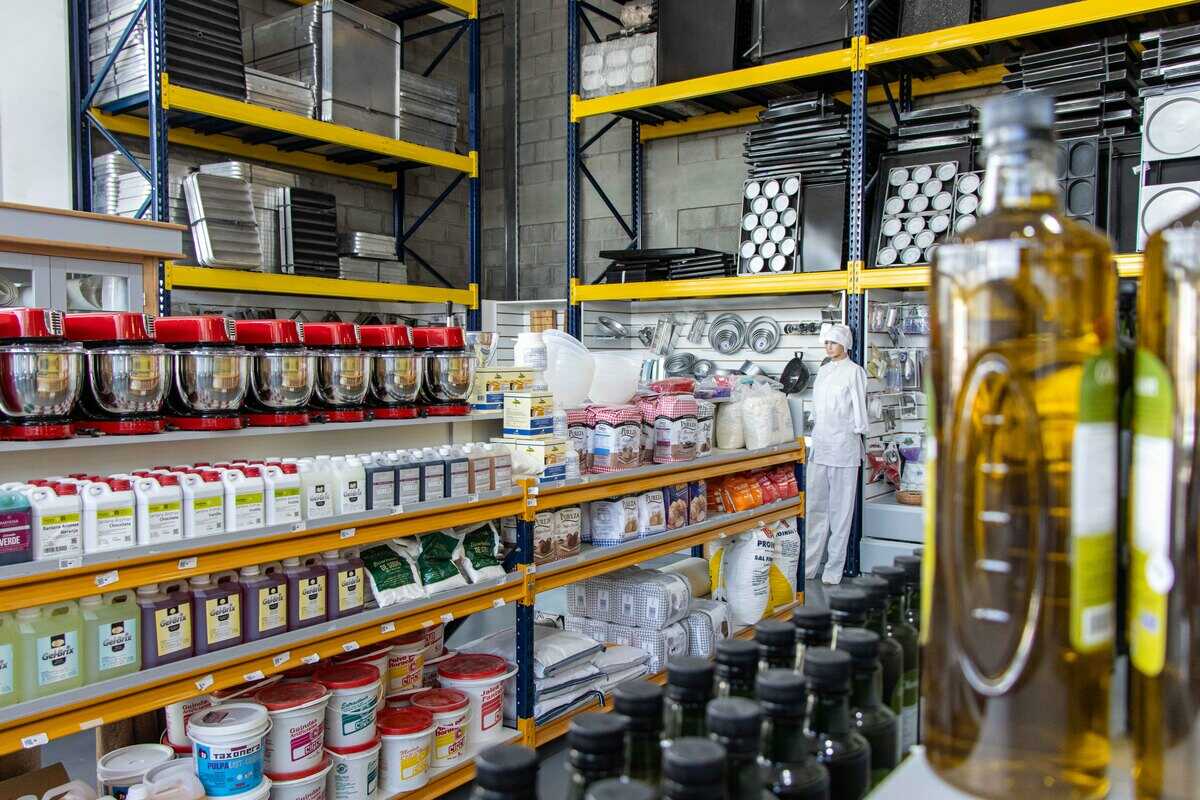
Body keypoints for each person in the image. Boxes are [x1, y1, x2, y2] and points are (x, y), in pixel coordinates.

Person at [806, 323, 869, 585]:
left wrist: (859, 428)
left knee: (841, 514)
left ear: (845, 344)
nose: (828, 347)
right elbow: (817, 408)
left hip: (844, 447)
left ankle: (833, 570)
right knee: (815, 509)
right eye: (826, 343)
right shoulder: (823, 371)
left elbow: (860, 408)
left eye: (833, 342)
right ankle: (809, 566)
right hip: (821, 446)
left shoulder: (855, 372)